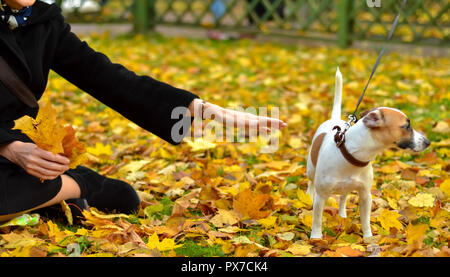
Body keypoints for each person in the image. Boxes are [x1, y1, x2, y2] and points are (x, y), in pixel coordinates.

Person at [0, 0, 286, 222]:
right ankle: (54, 195)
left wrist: (205, 109)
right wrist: (8, 147)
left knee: (124, 198)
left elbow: (108, 78)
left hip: (24, 150)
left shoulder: (43, 21)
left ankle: (74, 186)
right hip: (6, 147)